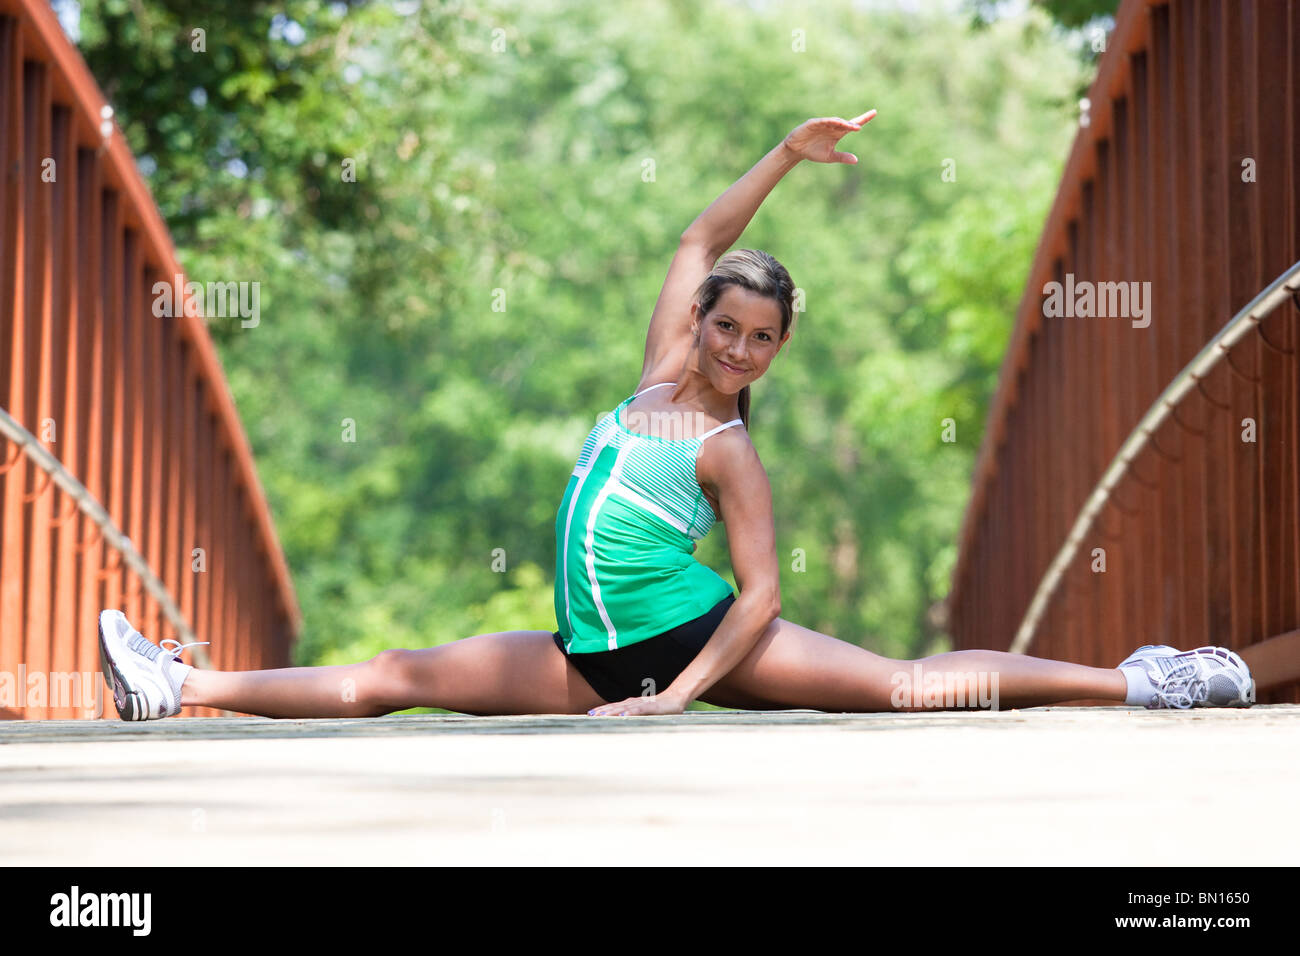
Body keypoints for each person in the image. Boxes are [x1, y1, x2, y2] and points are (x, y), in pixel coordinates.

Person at [96, 110, 1255, 722]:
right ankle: (172, 684)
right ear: (696, 323)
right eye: (726, 328)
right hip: (590, 654)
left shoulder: (726, 449)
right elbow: (697, 238)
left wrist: (679, 698)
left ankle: (1148, 679)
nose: (739, 349)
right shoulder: (657, 373)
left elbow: (762, 597)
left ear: (777, 349)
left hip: (686, 646)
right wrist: (786, 157)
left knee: (907, 686)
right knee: (395, 667)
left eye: (762, 340)